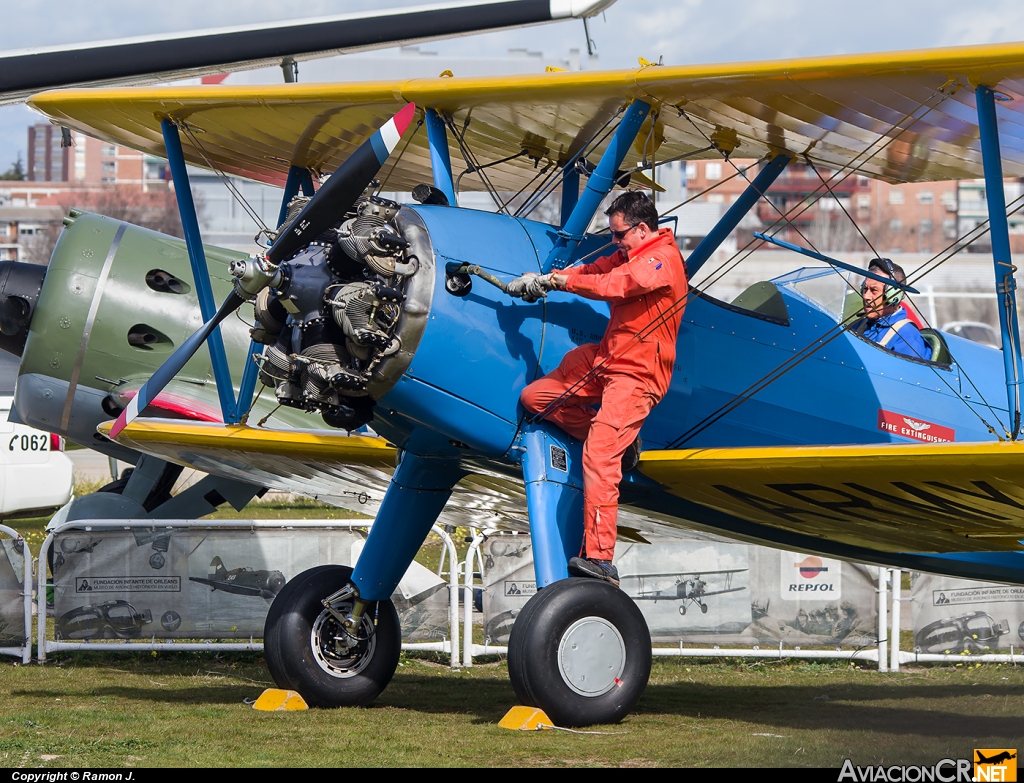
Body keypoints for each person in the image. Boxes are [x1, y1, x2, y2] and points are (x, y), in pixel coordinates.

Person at [505, 191, 688, 586]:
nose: (615, 241)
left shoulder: (663, 259)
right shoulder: (629, 252)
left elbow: (616, 286)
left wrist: (557, 281)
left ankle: (601, 559)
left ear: (642, 229)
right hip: (607, 358)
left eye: (620, 234)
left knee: (598, 457)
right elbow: (594, 271)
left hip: (637, 374)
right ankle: (618, 442)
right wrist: (541, 282)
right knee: (535, 398)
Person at [853, 258, 929, 360]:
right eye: (865, 289)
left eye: (874, 290)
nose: (866, 296)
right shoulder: (859, 325)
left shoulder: (907, 336)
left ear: (893, 295)